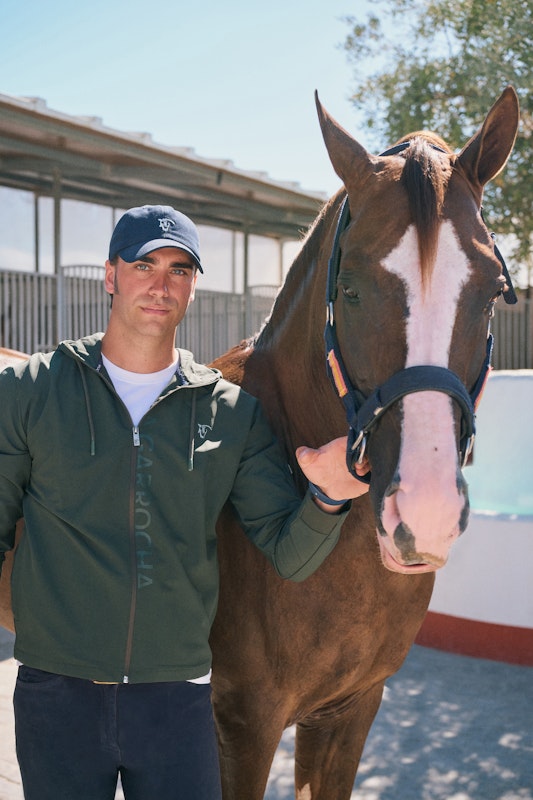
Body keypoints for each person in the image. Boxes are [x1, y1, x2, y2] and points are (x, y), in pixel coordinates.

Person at [0, 205, 369, 800]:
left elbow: (287, 552)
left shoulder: (231, 413)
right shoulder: (32, 390)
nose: (160, 282)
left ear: (194, 285)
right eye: (143, 263)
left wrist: (328, 495)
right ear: (110, 274)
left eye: (179, 269)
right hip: (58, 694)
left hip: (177, 703)